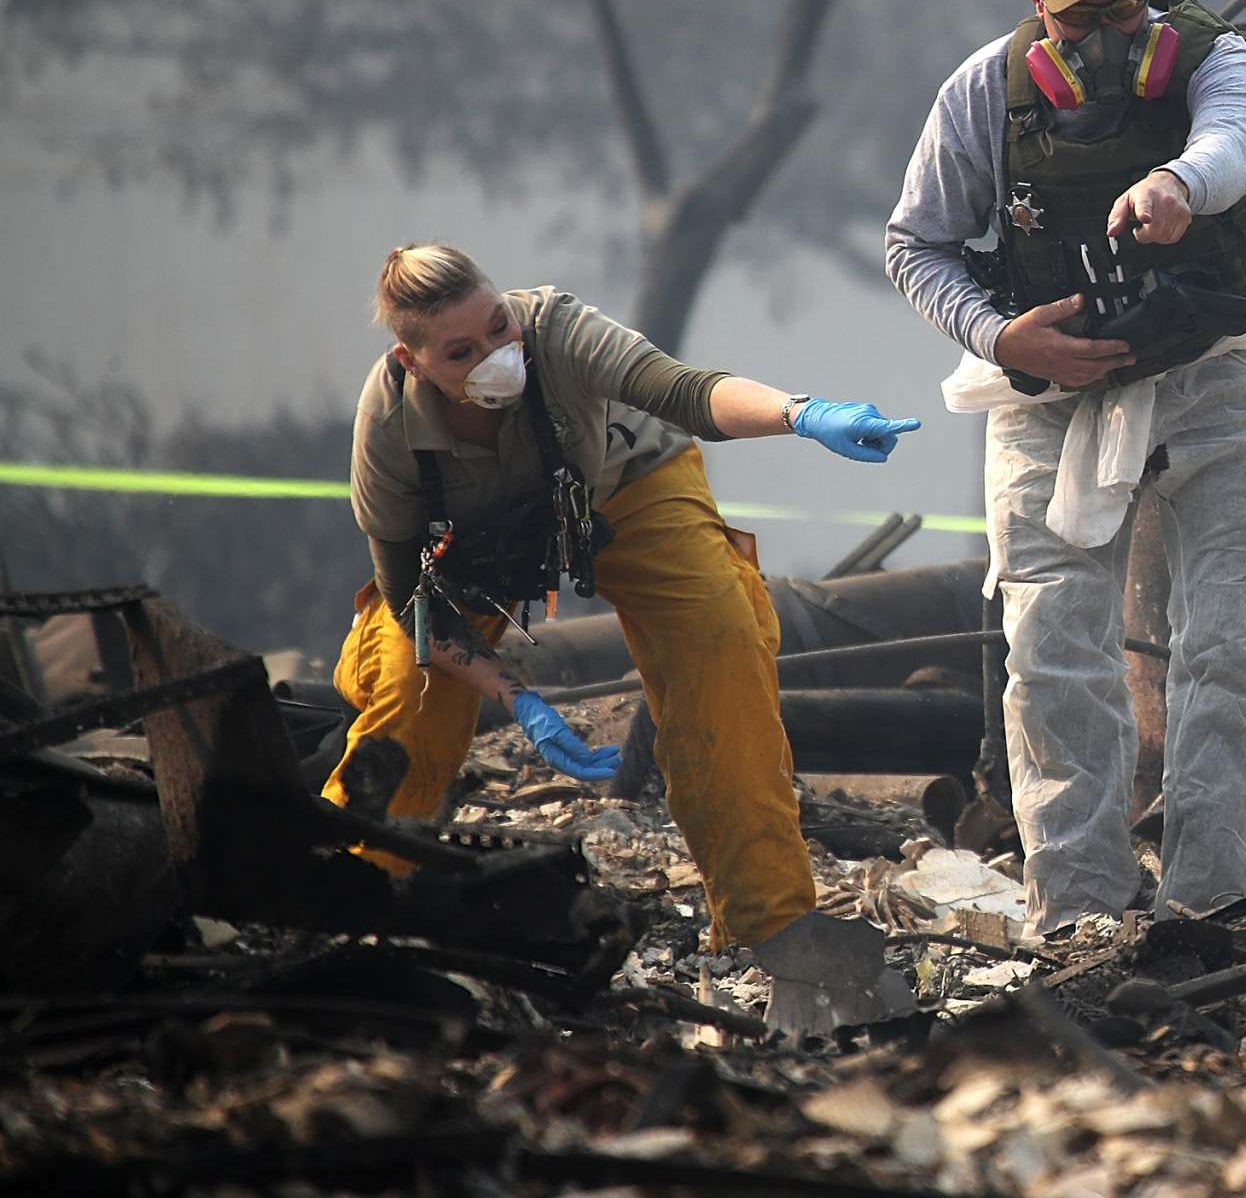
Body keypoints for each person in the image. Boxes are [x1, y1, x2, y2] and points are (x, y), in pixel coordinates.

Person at [884, 0, 1246, 932]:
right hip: (1051, 387)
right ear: (1032, 2)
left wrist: (1177, 183)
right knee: (1052, 647)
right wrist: (1003, 339)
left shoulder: (1214, 64)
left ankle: (1216, 907)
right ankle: (1077, 909)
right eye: (1076, 21)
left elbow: (1231, 140)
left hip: (1225, 371)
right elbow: (916, 245)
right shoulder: (981, 99)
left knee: (1236, 648)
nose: (1100, 43)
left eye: (1122, 18)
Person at [334, 244, 922, 1033]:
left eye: (499, 327)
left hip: (625, 488)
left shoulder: (558, 332)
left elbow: (685, 392)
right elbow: (416, 611)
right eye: (462, 352)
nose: (496, 356)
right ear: (412, 359)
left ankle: (772, 923)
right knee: (409, 688)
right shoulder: (388, 432)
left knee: (722, 644)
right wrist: (519, 698)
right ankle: (351, 909)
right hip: (474, 553)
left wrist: (802, 415)